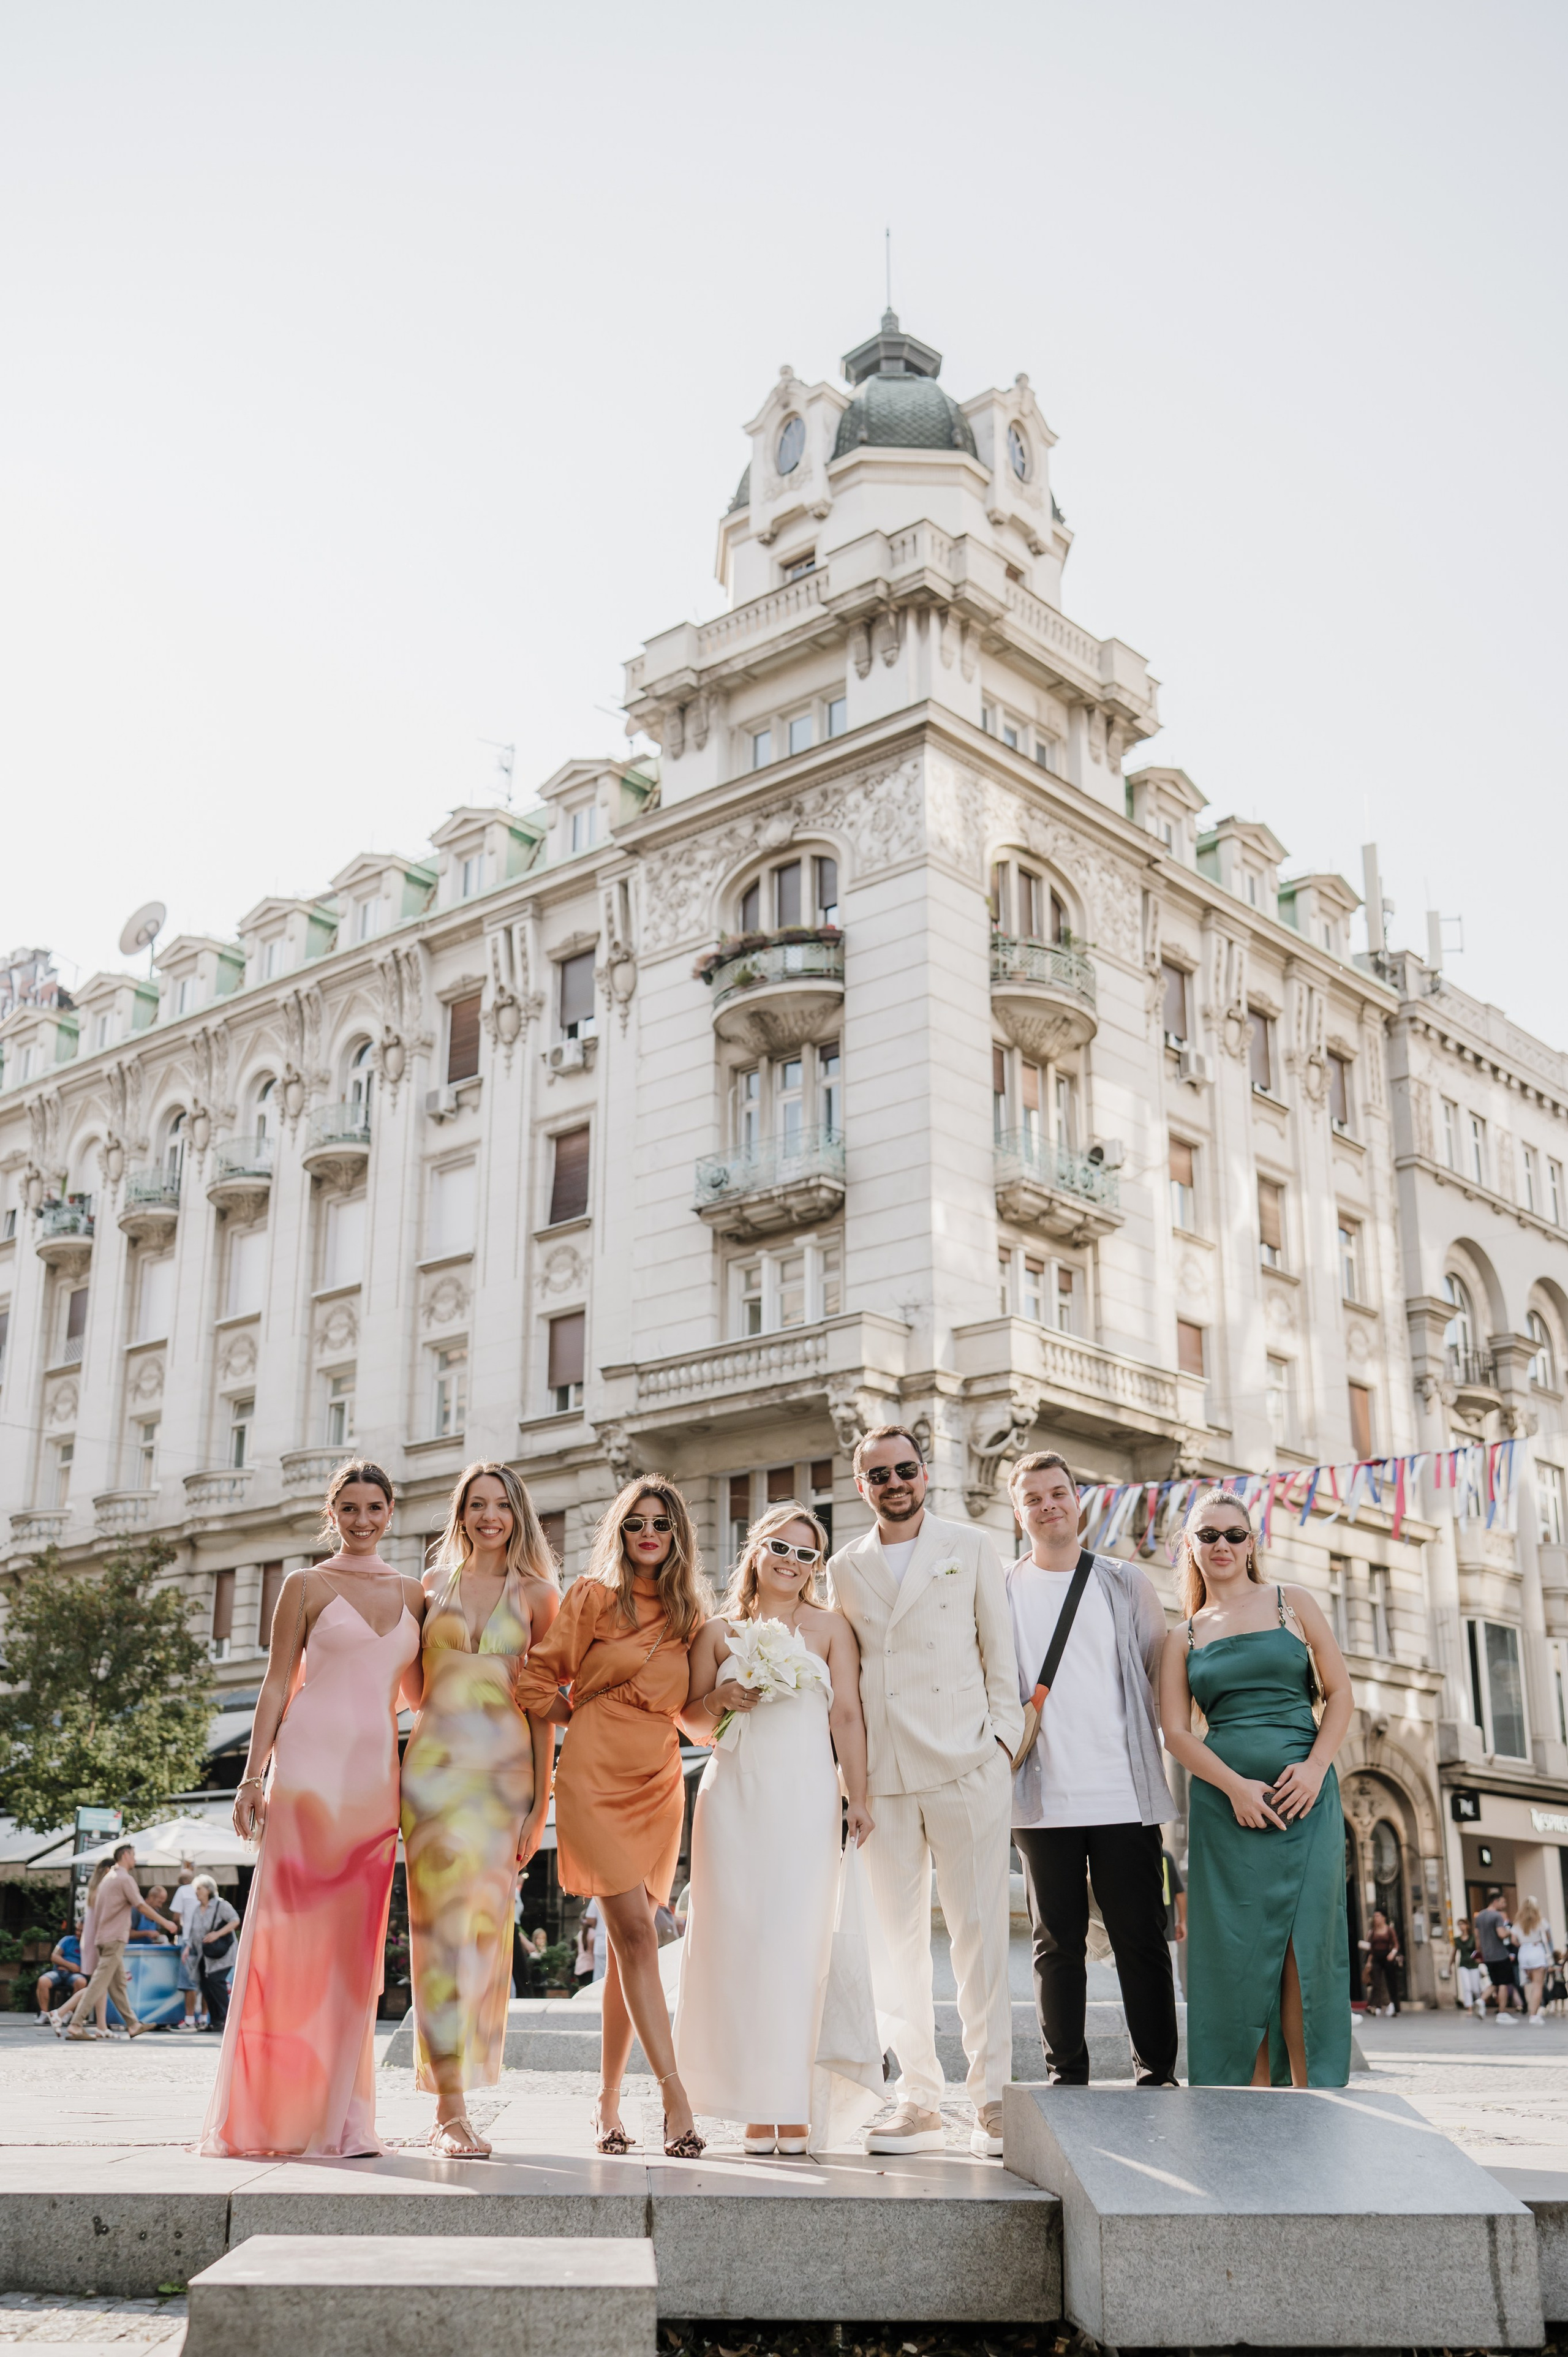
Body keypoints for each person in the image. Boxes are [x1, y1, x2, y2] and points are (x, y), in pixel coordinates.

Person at [202, 1460, 424, 2158]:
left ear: (392, 1511)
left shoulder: (417, 1593)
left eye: (374, 1507)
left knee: (352, 1951)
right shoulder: (303, 1584)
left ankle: (344, 2117)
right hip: (305, 1773)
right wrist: (251, 1777)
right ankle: (269, 2114)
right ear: (333, 1512)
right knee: (290, 1941)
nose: (362, 1519)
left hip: (372, 1784)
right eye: (350, 1507)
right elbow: (274, 1687)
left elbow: (424, 1698)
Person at [826, 1425, 1022, 2160]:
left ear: (925, 1471)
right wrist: (853, 1781)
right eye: (878, 1474)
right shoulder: (845, 1567)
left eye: (904, 1469)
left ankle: (993, 2099)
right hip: (883, 1778)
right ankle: (917, 2097)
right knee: (894, 1947)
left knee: (978, 1939)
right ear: (861, 1486)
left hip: (967, 1763)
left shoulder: (971, 1545)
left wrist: (1001, 1745)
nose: (894, 1482)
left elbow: (998, 1653)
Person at [514, 1476, 709, 2158]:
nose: (648, 1532)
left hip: (659, 1780)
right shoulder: (592, 1597)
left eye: (660, 1522)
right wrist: (591, 1712)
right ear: (620, 1533)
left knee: (632, 1942)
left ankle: (605, 2101)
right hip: (594, 1775)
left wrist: (742, 1697)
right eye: (635, 1523)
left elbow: (696, 1719)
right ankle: (673, 2095)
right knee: (634, 1928)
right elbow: (536, 1679)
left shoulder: (691, 1619)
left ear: (677, 1533)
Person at [674, 1500, 876, 2155]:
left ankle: (793, 2107)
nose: (791, 1561)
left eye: (805, 1553)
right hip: (731, 1798)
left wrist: (859, 1796)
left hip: (805, 1796)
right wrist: (717, 1700)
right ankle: (753, 2107)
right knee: (735, 1943)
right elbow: (693, 1723)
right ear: (755, 1550)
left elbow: (845, 1713)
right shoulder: (716, 1630)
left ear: (816, 1565)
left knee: (797, 1944)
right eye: (780, 1547)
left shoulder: (829, 1628)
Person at [1159, 1487, 1355, 2087]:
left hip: (1306, 1799)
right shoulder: (1182, 1635)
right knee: (1239, 1952)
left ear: (1252, 1543)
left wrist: (1317, 1764)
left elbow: (1340, 1693)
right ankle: (1245, 2102)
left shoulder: (1291, 1602)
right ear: (1187, 1547)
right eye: (1208, 1535)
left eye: (1234, 1534)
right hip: (1226, 1806)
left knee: (1306, 1945)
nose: (1222, 1544)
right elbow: (1174, 1730)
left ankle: (1314, 2094)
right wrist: (1235, 1787)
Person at [1006, 1453, 1181, 2090]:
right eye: (1034, 1496)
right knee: (1057, 1942)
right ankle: (1066, 2075)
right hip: (1041, 1793)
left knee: (1140, 1936)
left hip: (1121, 1789)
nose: (1048, 1503)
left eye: (1058, 1491)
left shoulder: (1122, 1580)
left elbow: (1156, 1671)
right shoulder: (1000, 1586)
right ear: (1018, 1509)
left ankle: (1157, 2072)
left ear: (1077, 1499)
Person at [401, 1461, 560, 2158]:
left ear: (518, 1513)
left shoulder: (539, 1595)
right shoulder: (429, 1587)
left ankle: (461, 2090)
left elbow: (546, 1713)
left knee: (483, 1940)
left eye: (501, 1504)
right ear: (460, 1513)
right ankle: (448, 2107)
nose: (489, 1515)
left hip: (503, 1787)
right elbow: (414, 1689)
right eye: (476, 1503)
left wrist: (537, 1808)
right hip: (432, 1779)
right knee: (435, 1938)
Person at [66, 1843, 150, 2042]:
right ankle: (76, 2023)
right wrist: (166, 1923)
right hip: (113, 1938)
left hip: (102, 1938)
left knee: (117, 1983)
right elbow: (140, 1905)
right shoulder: (121, 1879)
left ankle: (133, 2024)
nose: (135, 1859)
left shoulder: (104, 1883)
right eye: (134, 1854)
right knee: (98, 1983)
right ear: (126, 1855)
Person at [185, 1876, 240, 2031]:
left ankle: (228, 2019)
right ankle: (216, 2021)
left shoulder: (221, 1905)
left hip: (222, 1953)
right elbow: (194, 1931)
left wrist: (217, 1934)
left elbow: (235, 1920)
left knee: (217, 1982)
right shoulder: (197, 1909)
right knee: (206, 1986)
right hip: (204, 1955)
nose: (196, 1892)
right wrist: (189, 1947)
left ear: (208, 1890)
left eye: (199, 1889)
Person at [1475, 1889, 1523, 2021]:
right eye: (1503, 1902)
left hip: (1488, 1955)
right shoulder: (1496, 1916)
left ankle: (1481, 2000)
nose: (1505, 1905)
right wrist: (1511, 1931)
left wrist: (1480, 1952)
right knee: (1504, 1983)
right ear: (1495, 1901)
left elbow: (1477, 1937)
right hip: (1500, 1954)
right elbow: (1501, 1934)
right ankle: (1502, 2012)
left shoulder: (1479, 1916)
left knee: (1494, 1982)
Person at [168, 1863, 205, 2031]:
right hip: (204, 1941)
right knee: (206, 1981)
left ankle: (189, 2019)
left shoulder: (182, 1891)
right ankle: (204, 2018)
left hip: (188, 1940)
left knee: (188, 1983)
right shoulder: (205, 1890)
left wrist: (179, 1929)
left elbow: (176, 1917)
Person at [36, 1921, 85, 2024]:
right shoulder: (67, 1940)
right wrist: (70, 1966)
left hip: (76, 1975)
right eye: (77, 1930)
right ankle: (44, 2014)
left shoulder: (88, 1946)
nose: (78, 1933)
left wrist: (75, 1969)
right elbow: (54, 1956)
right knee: (43, 1980)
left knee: (81, 1982)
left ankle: (68, 2014)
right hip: (58, 1972)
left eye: (81, 1931)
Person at [1517, 1896, 1554, 2025]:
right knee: (1538, 1985)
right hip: (1536, 1951)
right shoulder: (1540, 1922)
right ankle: (1534, 2015)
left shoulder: (1518, 1922)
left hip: (1523, 1953)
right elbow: (1548, 1939)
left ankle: (1532, 2011)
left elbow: (1514, 1940)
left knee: (1532, 1984)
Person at [1363, 1909, 1402, 2016]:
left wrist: (1392, 1954)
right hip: (1376, 1958)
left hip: (1387, 1957)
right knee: (1376, 1982)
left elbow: (1396, 1944)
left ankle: (1395, 2006)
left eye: (1378, 1916)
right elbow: (1370, 1948)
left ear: (1384, 1918)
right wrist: (1369, 1962)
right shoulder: (1372, 1932)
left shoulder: (1389, 1930)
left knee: (1391, 1982)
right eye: (1375, 1916)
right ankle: (1374, 2005)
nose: (1376, 1918)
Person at [1162, 1845, 1187, 1985]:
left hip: (1140, 1932)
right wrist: (1182, 1922)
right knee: (1172, 1981)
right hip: (1167, 1931)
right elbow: (1180, 1893)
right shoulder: (1165, 1856)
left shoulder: (1131, 1855)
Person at [1452, 1917, 1485, 2016]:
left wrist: (1480, 1959)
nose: (1461, 1927)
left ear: (1467, 1925)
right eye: (1459, 1925)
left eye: (1463, 1924)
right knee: (1467, 1987)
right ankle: (1469, 2007)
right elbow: (1453, 1953)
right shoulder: (1457, 1940)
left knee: (1476, 1988)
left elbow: (1478, 1949)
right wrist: (1450, 1965)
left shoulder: (1473, 1938)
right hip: (1463, 1964)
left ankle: (1480, 2003)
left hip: (1473, 1964)